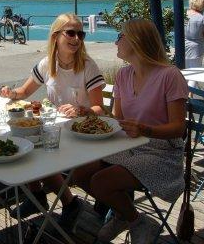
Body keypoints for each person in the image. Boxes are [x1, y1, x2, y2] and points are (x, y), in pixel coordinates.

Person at [72, 19, 188, 243]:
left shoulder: (170, 76)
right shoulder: (123, 75)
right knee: (80, 172)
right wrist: (92, 113)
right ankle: (124, 214)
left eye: (120, 37)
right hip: (128, 145)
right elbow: (118, 119)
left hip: (162, 152)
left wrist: (147, 130)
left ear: (136, 41)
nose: (116, 42)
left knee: (101, 182)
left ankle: (134, 219)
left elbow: (178, 127)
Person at [0, 13, 106, 229]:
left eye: (80, 34)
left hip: (81, 132)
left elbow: (100, 109)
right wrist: (11, 93)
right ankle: (37, 196)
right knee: (25, 144)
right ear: (56, 36)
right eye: (71, 33)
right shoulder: (48, 63)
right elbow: (24, 91)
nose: (76, 39)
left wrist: (81, 110)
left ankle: (66, 202)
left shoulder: (87, 66)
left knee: (35, 151)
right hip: (57, 129)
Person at [184, 0, 204, 68]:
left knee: (184, 72)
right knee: (196, 72)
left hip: (183, 47)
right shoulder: (203, 19)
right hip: (196, 50)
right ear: (201, 6)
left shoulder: (183, 15)